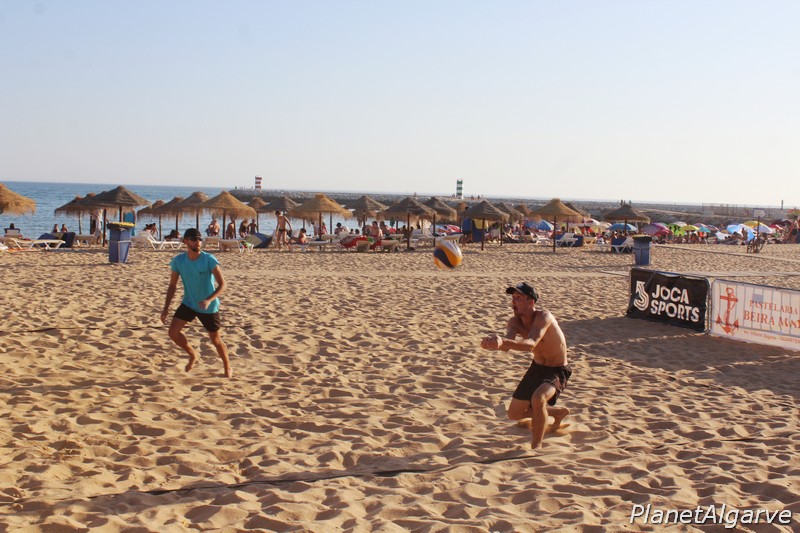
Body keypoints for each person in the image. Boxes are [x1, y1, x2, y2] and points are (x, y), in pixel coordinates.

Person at [481, 282, 571, 450]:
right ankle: (557, 412)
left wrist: (503, 342)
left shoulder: (543, 317)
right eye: (513, 298)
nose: (513, 302)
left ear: (531, 302)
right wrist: (493, 343)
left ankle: (536, 446)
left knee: (538, 398)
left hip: (557, 369)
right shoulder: (515, 322)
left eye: (519, 298)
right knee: (514, 414)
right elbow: (507, 345)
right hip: (537, 368)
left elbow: (530, 344)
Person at [161, 228, 232, 378]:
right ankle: (193, 354)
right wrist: (165, 308)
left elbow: (222, 285)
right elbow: (172, 286)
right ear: (185, 241)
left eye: (199, 239)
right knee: (173, 332)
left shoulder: (209, 259)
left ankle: (227, 367)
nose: (198, 242)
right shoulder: (179, 261)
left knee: (215, 340)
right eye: (194, 239)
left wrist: (208, 300)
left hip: (208, 306)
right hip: (189, 303)